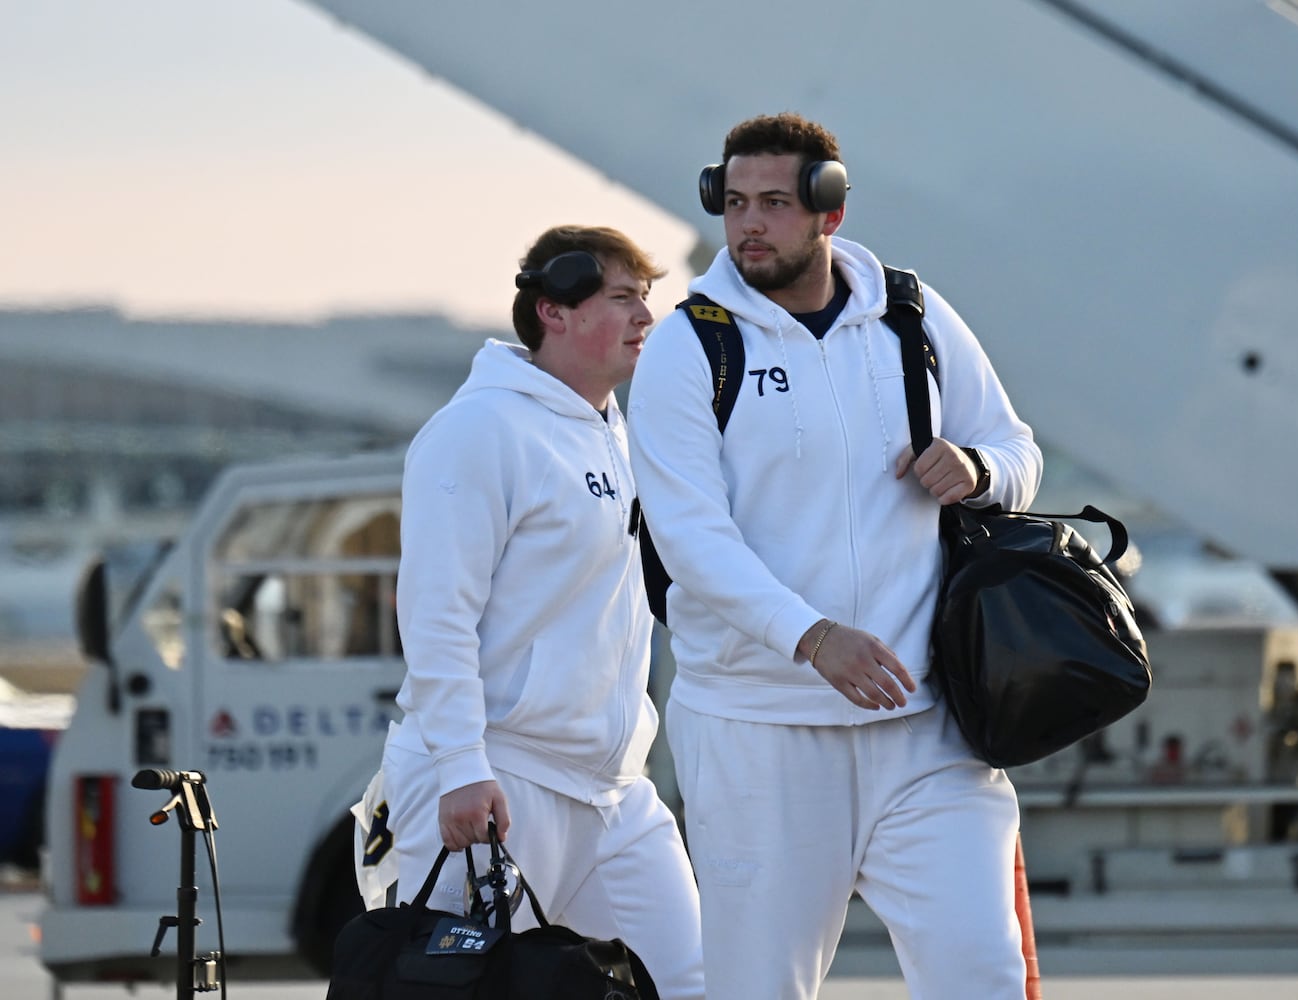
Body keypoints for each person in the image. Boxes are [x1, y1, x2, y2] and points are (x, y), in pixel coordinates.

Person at [627, 113, 1043, 999]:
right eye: (734, 203)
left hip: (925, 726)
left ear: (829, 213)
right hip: (758, 732)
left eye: (774, 204)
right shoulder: (686, 346)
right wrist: (814, 638)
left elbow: (1016, 451)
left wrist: (975, 469)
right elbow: (690, 537)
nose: (748, 225)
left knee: (982, 971)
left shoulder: (908, 315)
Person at [364, 224, 704, 999]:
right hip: (496, 779)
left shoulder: (625, 434)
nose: (645, 319)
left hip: (613, 792)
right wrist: (460, 767)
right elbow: (436, 613)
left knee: (692, 982)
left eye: (645, 299)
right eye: (622, 299)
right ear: (553, 311)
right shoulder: (478, 429)